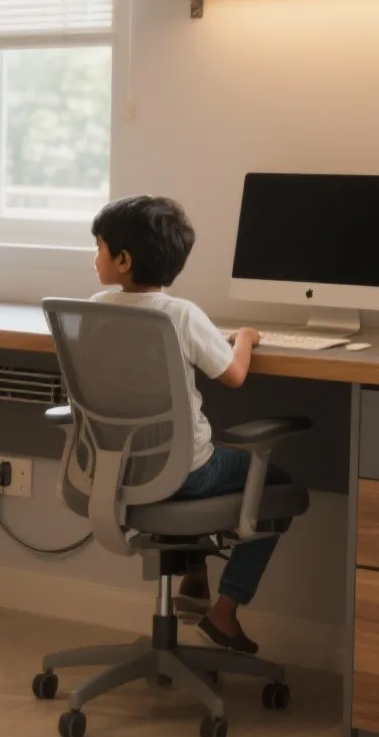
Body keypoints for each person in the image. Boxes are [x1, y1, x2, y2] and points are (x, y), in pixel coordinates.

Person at [89, 194, 290, 657]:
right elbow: (235, 375)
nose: (94, 257)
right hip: (184, 474)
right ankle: (223, 612)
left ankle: (194, 577)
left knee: (196, 464)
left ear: (122, 260)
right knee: (274, 485)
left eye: (98, 247)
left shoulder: (96, 308)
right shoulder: (180, 315)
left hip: (118, 470)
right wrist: (244, 339)